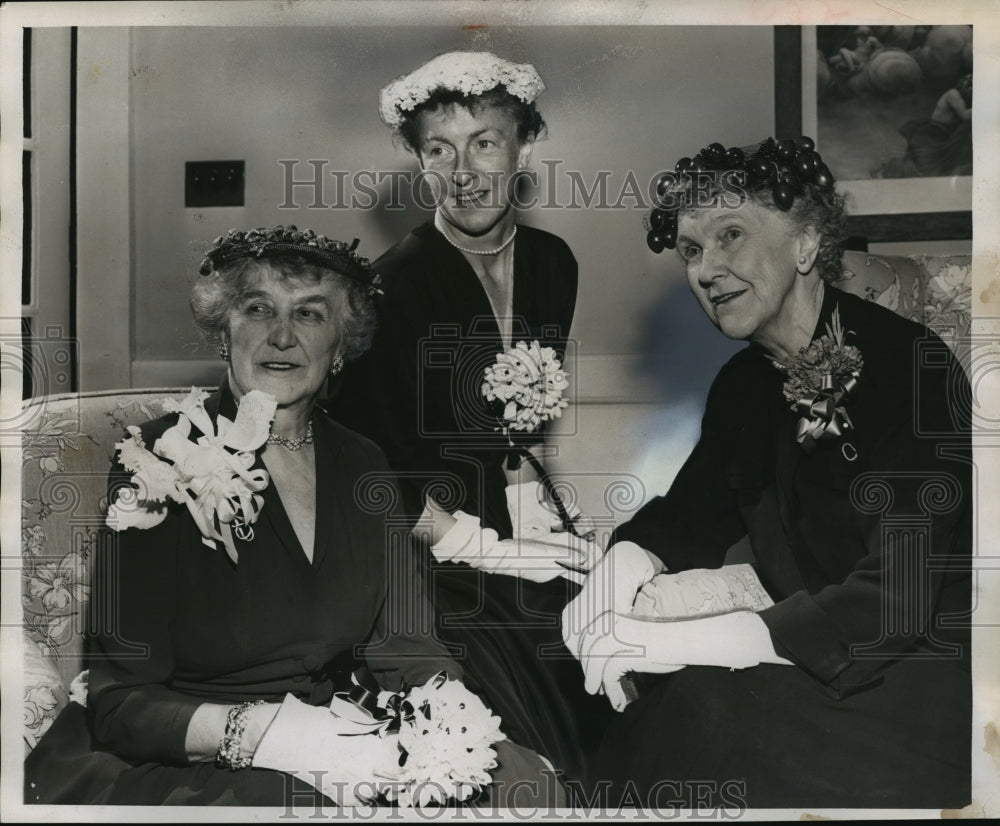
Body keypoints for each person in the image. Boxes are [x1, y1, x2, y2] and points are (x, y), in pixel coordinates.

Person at [23, 225, 561, 807]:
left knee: (520, 783)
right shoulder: (158, 461)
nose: (282, 336)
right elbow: (122, 702)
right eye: (258, 310)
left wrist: (453, 733)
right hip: (184, 759)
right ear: (225, 332)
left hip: (343, 732)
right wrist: (269, 737)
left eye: (309, 315)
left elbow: (408, 646)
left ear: (340, 346)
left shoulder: (365, 463)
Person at [563, 137, 971, 808]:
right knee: (648, 707)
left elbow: (892, 598)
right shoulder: (744, 386)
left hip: (930, 683)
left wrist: (690, 641)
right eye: (692, 250)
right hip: (818, 673)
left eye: (731, 235)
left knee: (697, 710)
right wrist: (614, 575)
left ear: (807, 243)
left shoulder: (912, 369)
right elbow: (689, 514)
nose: (706, 270)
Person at [329, 51, 612, 786]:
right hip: (422, 549)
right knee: (522, 699)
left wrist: (534, 519)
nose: (465, 172)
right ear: (417, 160)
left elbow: (522, 423)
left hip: (516, 527)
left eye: (485, 142)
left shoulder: (555, 262)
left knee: (610, 641)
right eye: (439, 150)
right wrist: (480, 545)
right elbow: (369, 466)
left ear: (524, 146)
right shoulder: (386, 289)